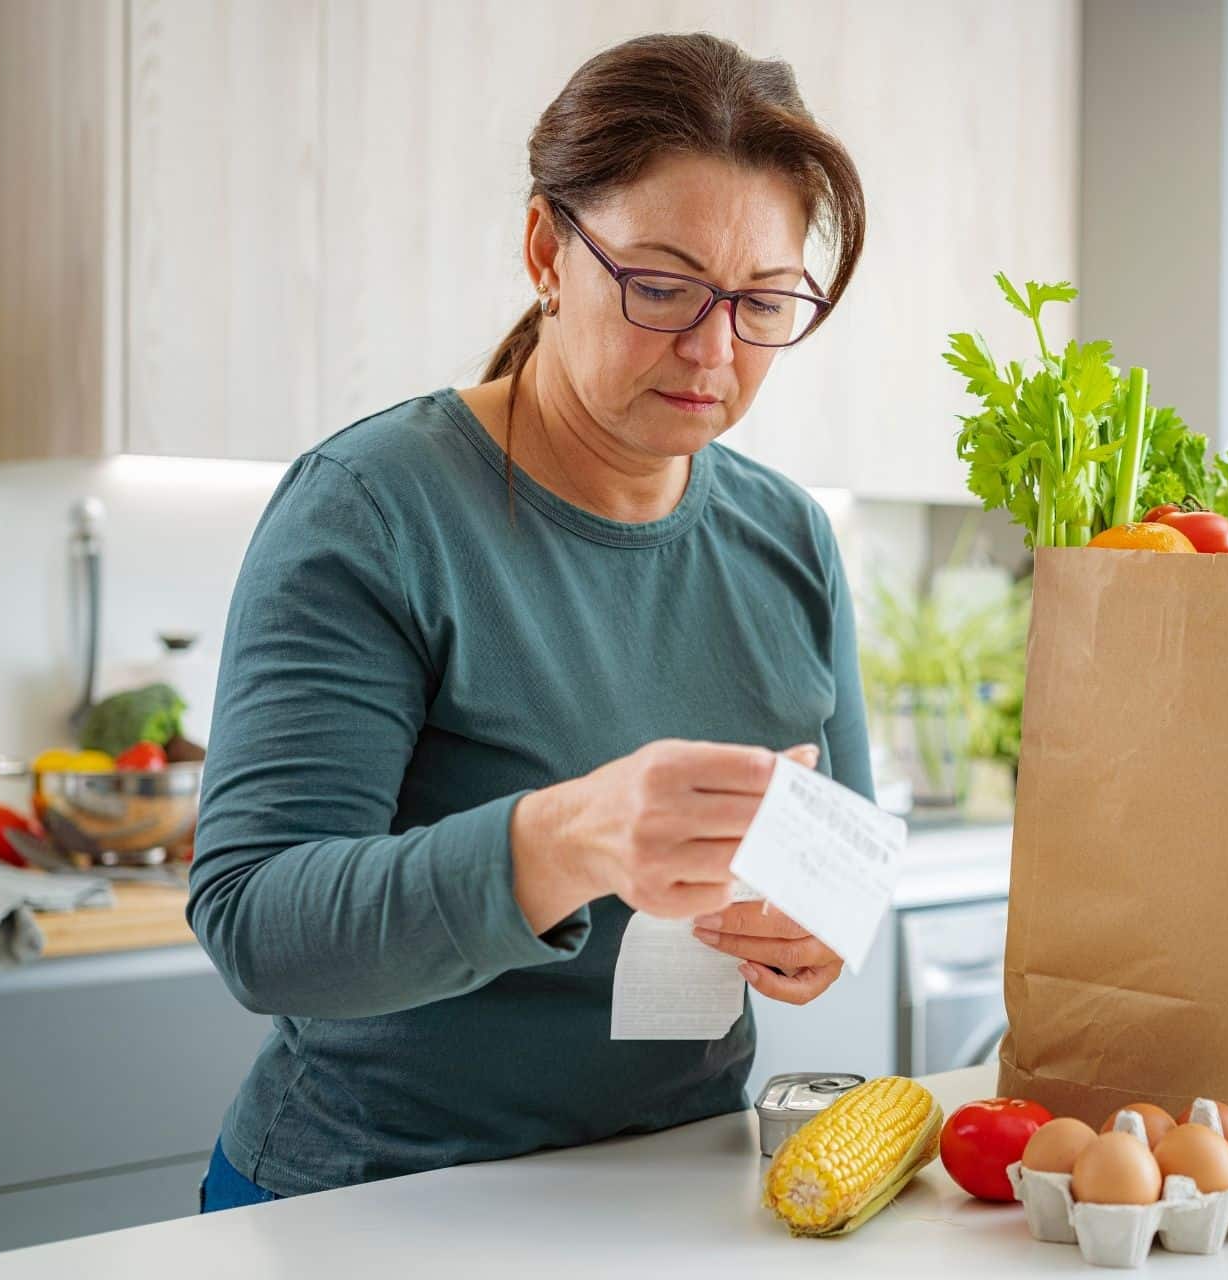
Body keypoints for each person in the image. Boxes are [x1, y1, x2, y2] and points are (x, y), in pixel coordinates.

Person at [188, 32, 869, 1208]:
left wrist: (818, 922)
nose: (712, 348)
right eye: (661, 285)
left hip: (671, 1186)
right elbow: (259, 921)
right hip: (378, 1198)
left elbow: (840, 845)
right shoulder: (374, 510)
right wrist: (570, 839)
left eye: (762, 301)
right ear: (547, 251)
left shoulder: (790, 537)